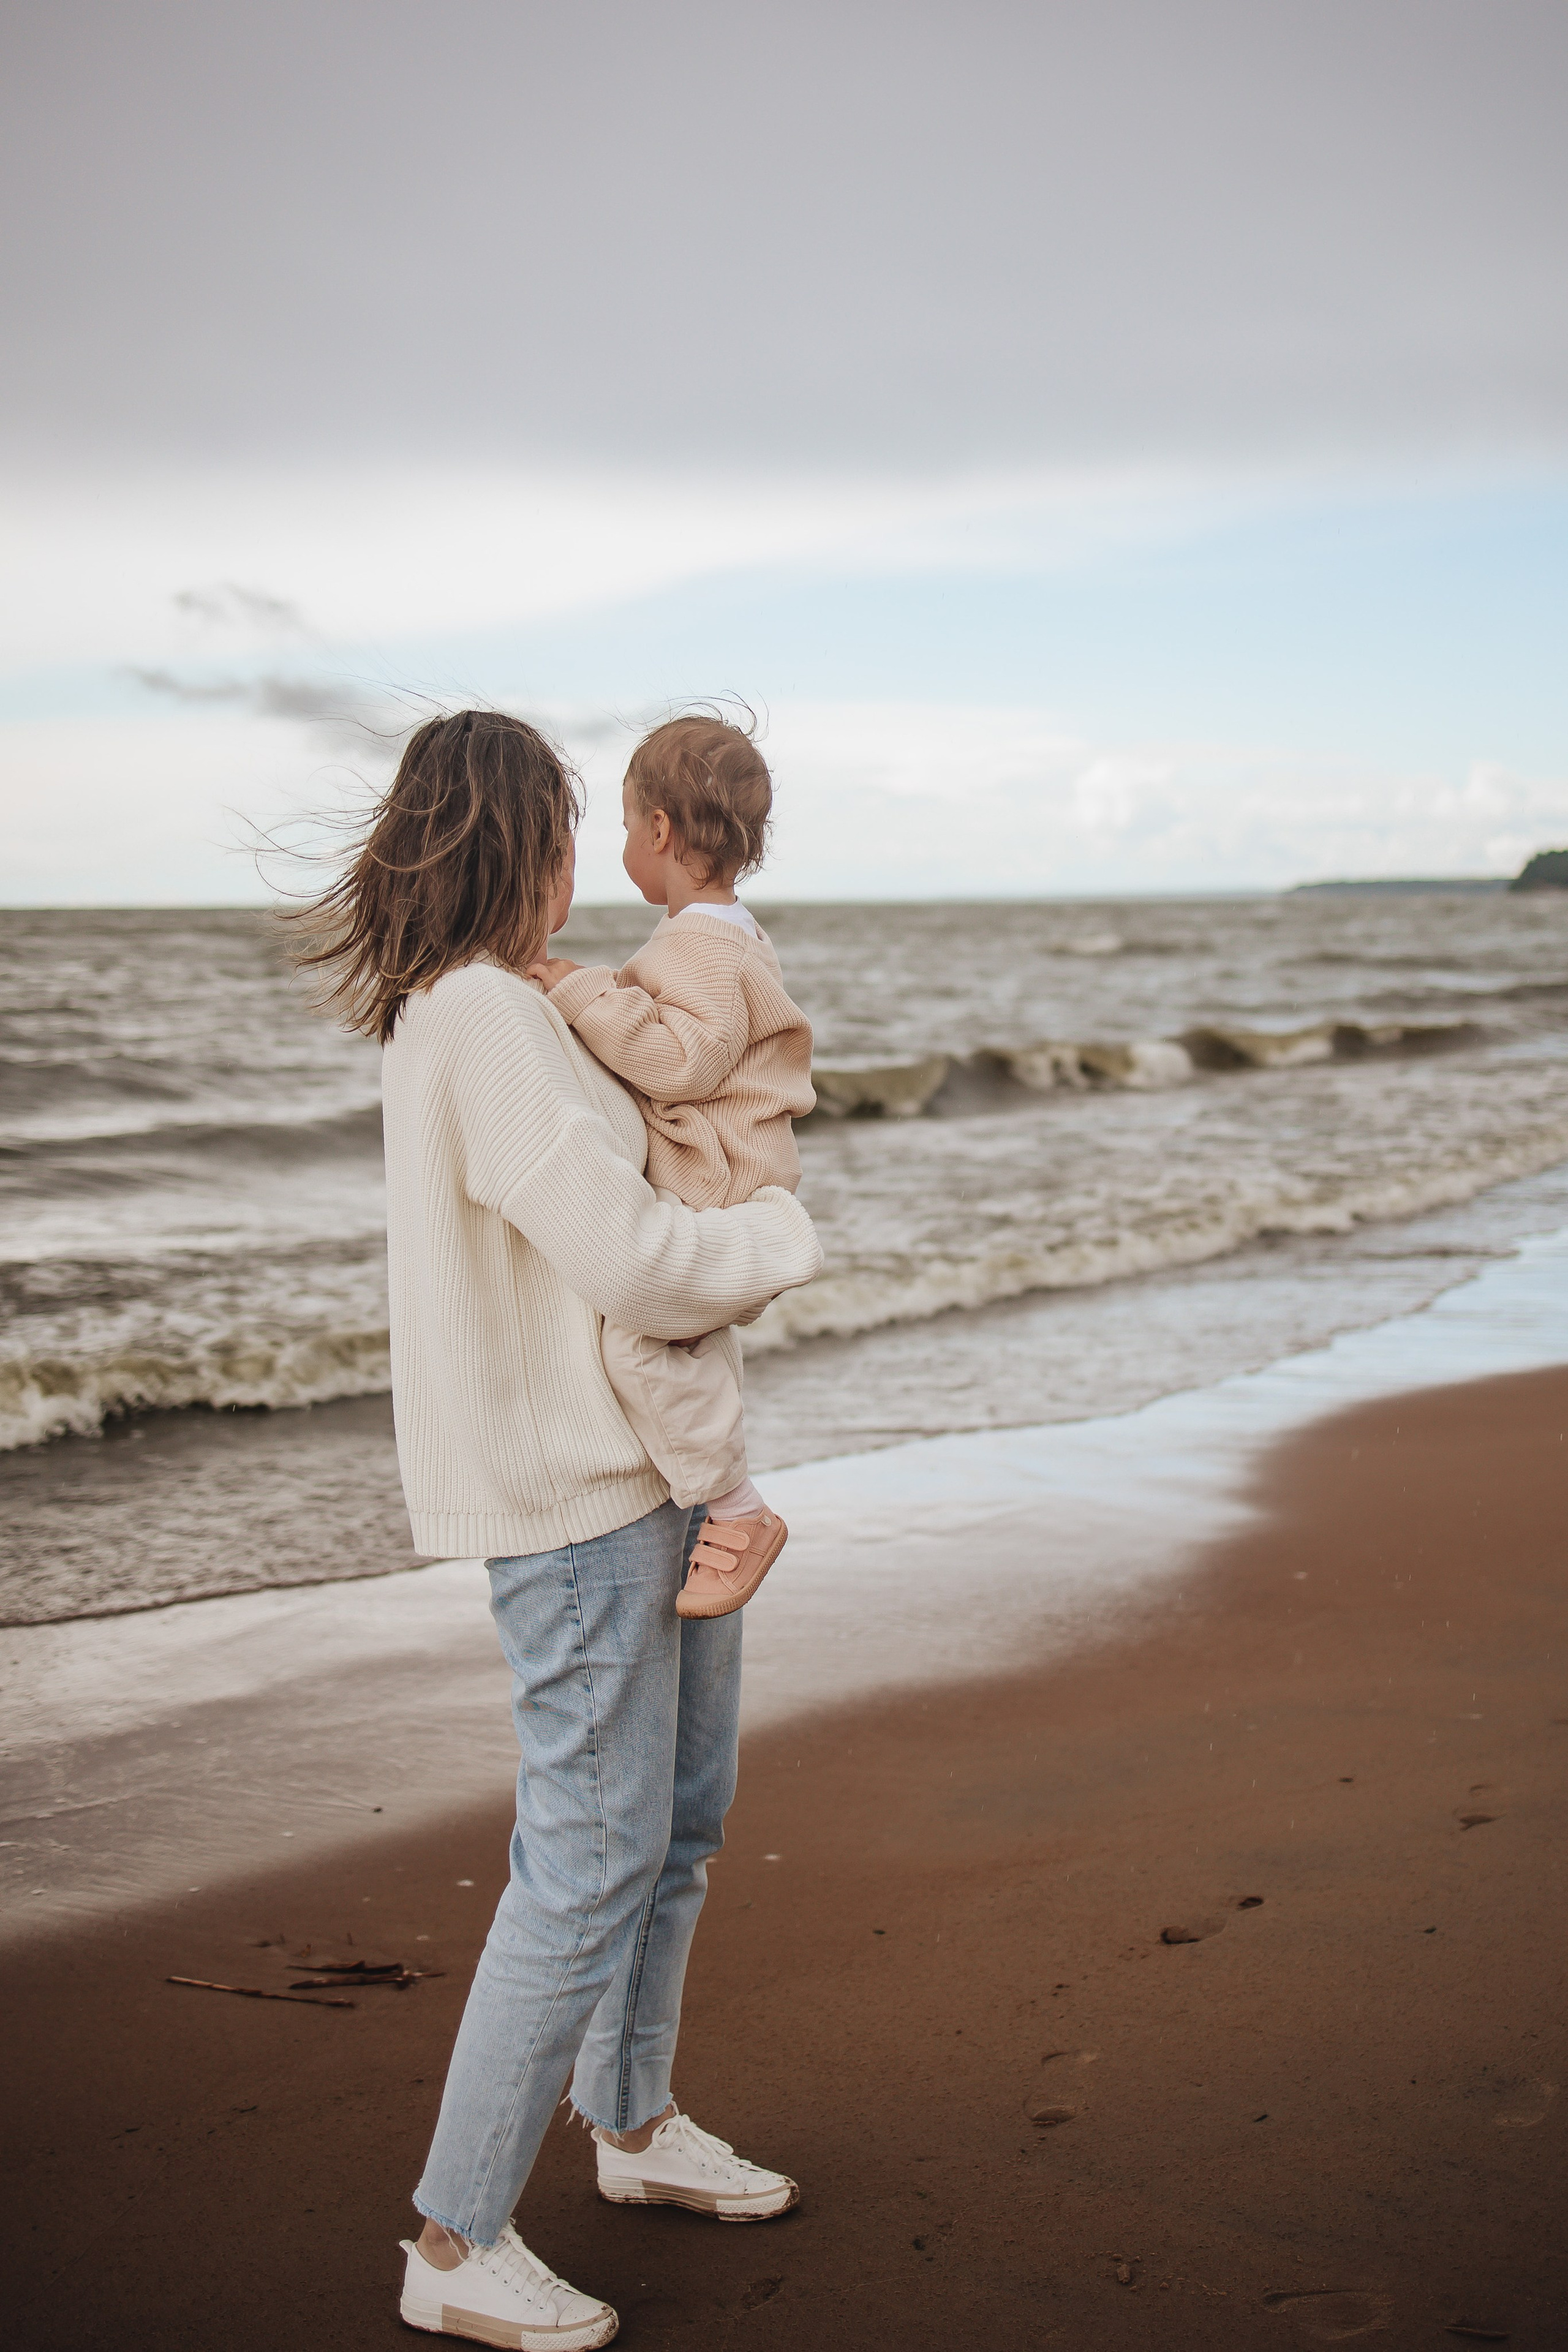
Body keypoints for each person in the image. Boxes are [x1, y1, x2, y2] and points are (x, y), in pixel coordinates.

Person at [293, 709, 821, 2350]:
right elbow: (646, 1262)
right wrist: (787, 1231)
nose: (581, 865)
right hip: (581, 1509)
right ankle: (454, 2241)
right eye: (564, 830)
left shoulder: (502, 1013)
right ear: (516, 841)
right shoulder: (483, 1024)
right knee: (589, 1863)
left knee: (672, 1826)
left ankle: (636, 2127)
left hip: (642, 1492)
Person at [529, 715, 815, 1619]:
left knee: (638, 1338)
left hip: (719, 1175)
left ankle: (737, 1509)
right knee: (686, 1348)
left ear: (658, 831)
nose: (619, 844)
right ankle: (712, 1488)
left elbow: (680, 1061)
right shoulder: (727, 934)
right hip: (732, 1170)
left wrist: (579, 990)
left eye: (620, 826)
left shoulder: (700, 942)